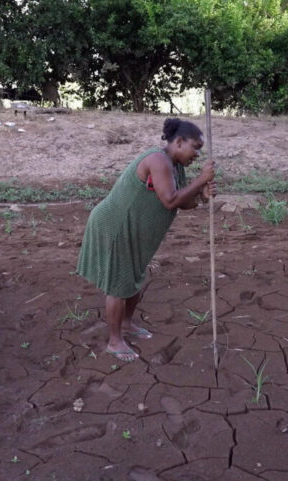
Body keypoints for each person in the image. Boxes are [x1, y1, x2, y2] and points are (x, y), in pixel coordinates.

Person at [77, 118, 216, 361]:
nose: (197, 154)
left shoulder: (175, 166)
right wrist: (201, 180)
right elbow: (170, 200)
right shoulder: (158, 160)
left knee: (135, 277)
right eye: (195, 147)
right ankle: (114, 340)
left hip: (135, 231)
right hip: (116, 226)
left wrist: (202, 196)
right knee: (118, 284)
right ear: (180, 142)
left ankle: (128, 324)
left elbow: (183, 203)